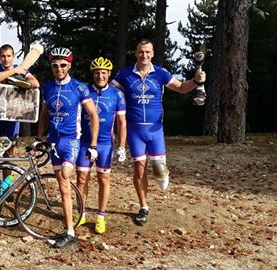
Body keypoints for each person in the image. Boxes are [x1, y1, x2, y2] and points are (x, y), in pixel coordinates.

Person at [111, 39, 206, 226]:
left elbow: (180, 88)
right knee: (139, 169)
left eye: (147, 52)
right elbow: (107, 91)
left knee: (159, 171)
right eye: (141, 52)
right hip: (134, 130)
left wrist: (195, 81)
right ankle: (143, 206)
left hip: (155, 130)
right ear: (136, 53)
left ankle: (163, 173)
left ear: (152, 53)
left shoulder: (160, 73)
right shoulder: (124, 75)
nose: (144, 55)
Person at [37, 47, 99, 248]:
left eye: (63, 65)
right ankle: (70, 231)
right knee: (63, 187)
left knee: (65, 175)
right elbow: (45, 113)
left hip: (71, 140)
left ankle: (72, 225)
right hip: (53, 141)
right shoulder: (47, 87)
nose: (59, 69)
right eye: (55, 66)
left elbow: (93, 116)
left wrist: (93, 144)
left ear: (69, 66)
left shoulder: (79, 88)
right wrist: (40, 133)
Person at [76, 57, 127, 234]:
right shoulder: (85, 91)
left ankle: (100, 216)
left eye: (103, 73)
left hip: (105, 144)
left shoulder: (116, 94)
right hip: (84, 142)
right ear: (93, 74)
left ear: (109, 74)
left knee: (103, 179)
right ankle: (81, 213)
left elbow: (122, 122)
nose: (100, 76)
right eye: (97, 73)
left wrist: (121, 146)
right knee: (81, 179)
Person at [0, 44, 40, 157]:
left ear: (13, 56)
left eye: (8, 56)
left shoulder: (21, 70)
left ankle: (7, 175)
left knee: (9, 152)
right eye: (3, 56)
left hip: (13, 116)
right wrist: (14, 71)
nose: (6, 59)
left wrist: (22, 81)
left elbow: (35, 83)